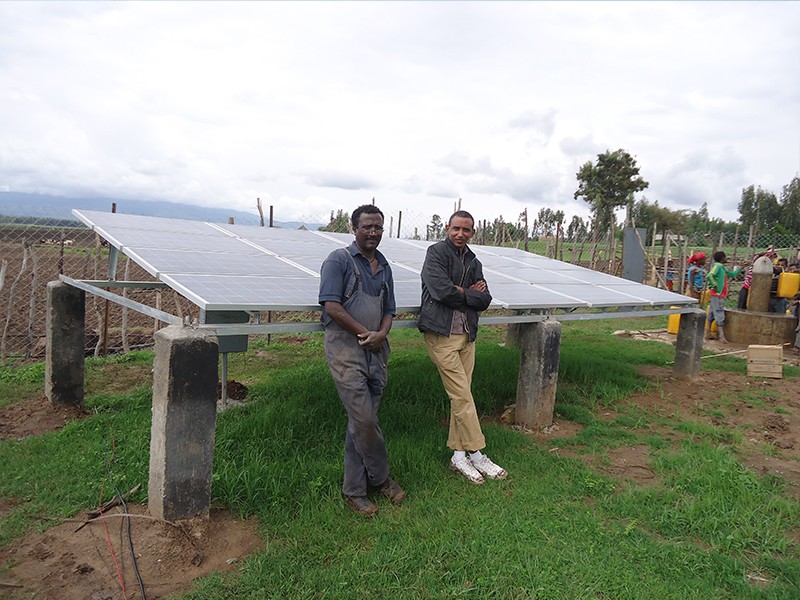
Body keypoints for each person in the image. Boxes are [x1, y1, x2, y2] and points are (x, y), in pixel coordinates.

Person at [318, 204, 405, 516]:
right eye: (367, 226)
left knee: (360, 423)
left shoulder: (384, 267)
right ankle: (381, 479)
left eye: (378, 227)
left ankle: (354, 490)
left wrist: (381, 334)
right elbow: (332, 307)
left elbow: (389, 309)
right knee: (364, 420)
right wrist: (364, 334)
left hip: (377, 353)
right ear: (353, 229)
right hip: (346, 351)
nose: (373, 232)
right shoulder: (338, 261)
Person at [419, 210, 507, 484]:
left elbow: (485, 300)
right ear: (447, 228)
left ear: (472, 233)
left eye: (466, 230)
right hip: (442, 334)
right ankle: (477, 453)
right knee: (461, 396)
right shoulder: (436, 254)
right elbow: (440, 291)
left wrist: (463, 293)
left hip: (467, 334)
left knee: (463, 396)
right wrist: (469, 293)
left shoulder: (473, 260)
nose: (460, 234)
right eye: (456, 228)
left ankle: (458, 455)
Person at [705, 251, 741, 343]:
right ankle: (722, 336)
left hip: (716, 295)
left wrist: (740, 268)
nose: (727, 259)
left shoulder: (721, 268)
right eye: (725, 257)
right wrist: (714, 284)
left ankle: (708, 332)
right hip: (718, 295)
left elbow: (731, 274)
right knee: (719, 313)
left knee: (712, 312)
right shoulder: (718, 267)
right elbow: (709, 275)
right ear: (722, 259)